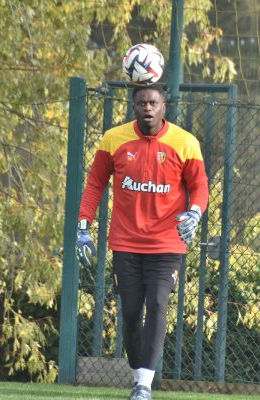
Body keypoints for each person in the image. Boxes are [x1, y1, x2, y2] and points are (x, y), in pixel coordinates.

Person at [75, 84, 209, 400]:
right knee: (131, 313)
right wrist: (84, 228)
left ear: (164, 105)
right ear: (133, 106)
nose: (147, 108)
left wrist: (194, 213)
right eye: (141, 103)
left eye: (153, 102)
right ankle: (138, 375)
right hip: (125, 243)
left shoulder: (185, 142)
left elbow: (200, 187)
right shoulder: (113, 139)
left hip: (167, 244)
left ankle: (143, 385)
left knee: (159, 304)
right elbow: (95, 184)